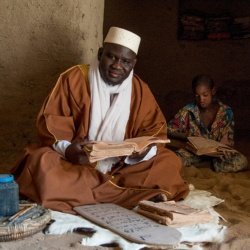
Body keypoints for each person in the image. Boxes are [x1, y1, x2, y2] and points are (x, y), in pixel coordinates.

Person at [11, 27, 189, 214]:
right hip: (78, 164)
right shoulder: (73, 78)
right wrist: (68, 150)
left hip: (123, 168)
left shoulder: (139, 88)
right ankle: (134, 197)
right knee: (40, 161)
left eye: (126, 61)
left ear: (133, 63)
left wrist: (143, 151)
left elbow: (153, 129)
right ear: (100, 53)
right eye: (111, 57)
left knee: (169, 162)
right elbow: (52, 123)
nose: (117, 66)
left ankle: (93, 195)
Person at [167, 74, 248, 173]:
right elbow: (167, 129)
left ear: (213, 91)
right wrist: (187, 135)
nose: (201, 100)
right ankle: (206, 166)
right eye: (197, 96)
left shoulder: (226, 112)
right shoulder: (188, 111)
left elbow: (228, 142)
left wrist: (225, 151)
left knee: (241, 161)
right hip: (193, 153)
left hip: (216, 156)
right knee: (171, 160)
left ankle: (200, 166)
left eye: (205, 95)